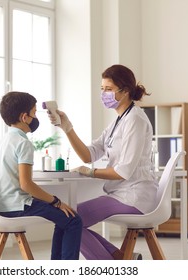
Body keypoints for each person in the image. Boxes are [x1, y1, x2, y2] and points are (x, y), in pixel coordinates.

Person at [48, 64, 158, 260]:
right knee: (68, 219)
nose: (104, 94)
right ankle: (118, 258)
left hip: (134, 195)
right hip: (120, 193)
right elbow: (88, 155)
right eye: (102, 89)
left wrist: (90, 172)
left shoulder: (135, 120)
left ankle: (110, 266)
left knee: (69, 219)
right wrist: (67, 128)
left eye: (108, 89)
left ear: (124, 91)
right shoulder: (118, 121)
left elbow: (122, 171)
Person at [0, 91, 82, 260]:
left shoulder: (3, 140)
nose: (35, 118)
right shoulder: (23, 143)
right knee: (73, 220)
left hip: (0, 206)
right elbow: (26, 185)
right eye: (34, 113)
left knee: (64, 218)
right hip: (18, 206)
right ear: (24, 117)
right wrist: (56, 201)